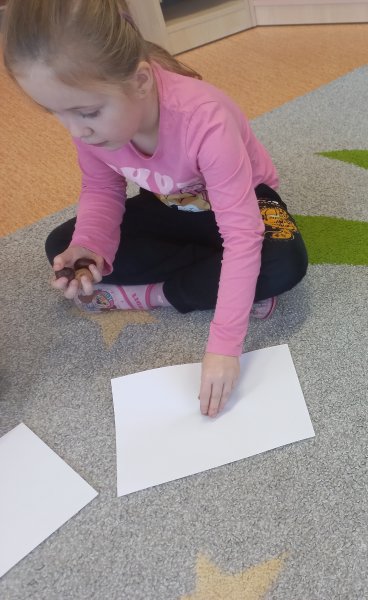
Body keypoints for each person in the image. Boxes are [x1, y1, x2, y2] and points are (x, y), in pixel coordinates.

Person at [2, 0, 308, 417]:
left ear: (141, 81)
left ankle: (158, 294)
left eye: (87, 113)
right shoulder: (90, 125)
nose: (75, 131)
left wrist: (224, 347)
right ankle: (228, 283)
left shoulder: (206, 121)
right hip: (171, 203)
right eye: (56, 114)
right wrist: (90, 244)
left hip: (245, 203)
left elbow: (242, 234)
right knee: (61, 245)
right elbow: (102, 187)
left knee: (284, 262)